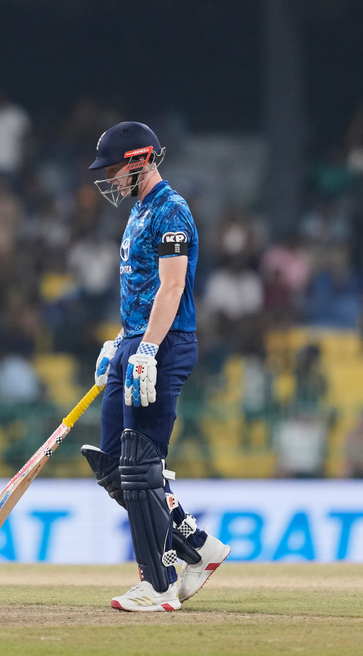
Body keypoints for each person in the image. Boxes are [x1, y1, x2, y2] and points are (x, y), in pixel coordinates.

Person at [82, 122, 230, 612]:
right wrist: (120, 343)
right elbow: (141, 290)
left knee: (142, 468)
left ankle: (159, 583)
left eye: (115, 168)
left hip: (163, 347)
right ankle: (198, 548)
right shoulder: (140, 211)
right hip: (136, 343)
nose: (110, 179)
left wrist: (146, 350)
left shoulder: (172, 209)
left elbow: (171, 288)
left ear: (140, 159)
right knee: (112, 466)